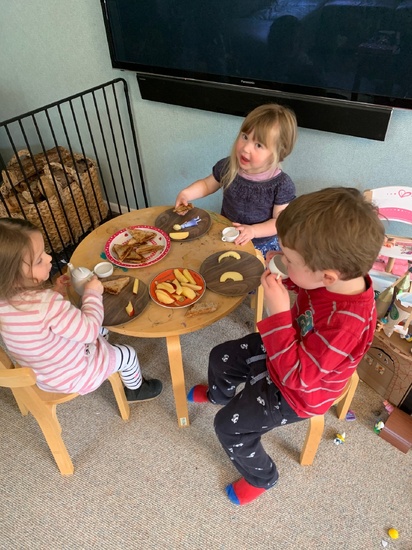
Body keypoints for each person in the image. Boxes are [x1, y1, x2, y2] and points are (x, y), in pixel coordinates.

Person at [187, 187, 385, 506]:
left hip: (299, 392)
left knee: (227, 427)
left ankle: (262, 478)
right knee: (220, 356)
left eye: (289, 259)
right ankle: (218, 394)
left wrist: (277, 314)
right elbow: (309, 285)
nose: (282, 258)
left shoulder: (346, 326)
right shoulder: (334, 278)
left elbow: (296, 377)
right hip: (290, 346)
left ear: (328, 275)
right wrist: (288, 273)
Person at [0, 218, 162, 403]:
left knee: (100, 326)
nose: (49, 258)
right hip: (76, 374)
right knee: (128, 354)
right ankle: (137, 391)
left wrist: (56, 292)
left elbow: (37, 322)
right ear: (14, 276)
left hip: (45, 375)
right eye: (39, 260)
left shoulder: (5, 301)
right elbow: (89, 332)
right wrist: (92, 294)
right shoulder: (48, 304)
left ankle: (104, 345)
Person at [174, 103, 297, 255]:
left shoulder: (281, 185)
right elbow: (207, 185)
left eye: (258, 145)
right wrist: (186, 194)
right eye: (245, 137)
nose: (246, 148)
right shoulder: (228, 166)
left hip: (259, 245)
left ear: (279, 153)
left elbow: (279, 222)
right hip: (226, 235)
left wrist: (253, 231)